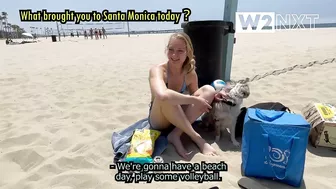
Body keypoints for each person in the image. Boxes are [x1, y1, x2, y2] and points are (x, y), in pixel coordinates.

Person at [148, 32, 229, 159]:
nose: (174, 55)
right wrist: (193, 100)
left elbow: (197, 97)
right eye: (171, 50)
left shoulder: (189, 73)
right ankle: (197, 138)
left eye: (180, 51)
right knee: (167, 97)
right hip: (160, 119)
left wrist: (213, 96)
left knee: (208, 90)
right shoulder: (158, 70)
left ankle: (175, 134)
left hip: (177, 115)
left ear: (188, 52)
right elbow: (162, 95)